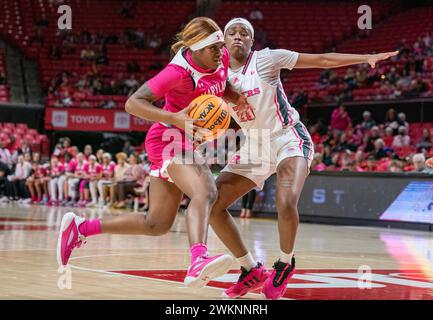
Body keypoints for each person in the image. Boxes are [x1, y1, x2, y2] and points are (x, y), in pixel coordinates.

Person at [208, 17, 398, 300]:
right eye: (232, 33)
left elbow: (321, 60)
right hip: (254, 146)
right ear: (223, 40)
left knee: (285, 201)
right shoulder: (215, 76)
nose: (238, 36)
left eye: (244, 33)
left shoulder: (267, 59)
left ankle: (285, 264)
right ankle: (250, 269)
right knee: (212, 204)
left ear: (251, 40)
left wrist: (365, 57)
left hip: (288, 137)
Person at [57, 17, 251, 288]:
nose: (221, 52)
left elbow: (221, 86)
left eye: (221, 45)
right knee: (206, 191)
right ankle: (198, 259)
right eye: (214, 48)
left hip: (187, 141)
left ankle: (80, 227)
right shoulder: (177, 73)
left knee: (156, 224)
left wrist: (236, 99)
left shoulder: (221, 58)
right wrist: (176, 119)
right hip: (168, 137)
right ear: (196, 48)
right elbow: (132, 103)